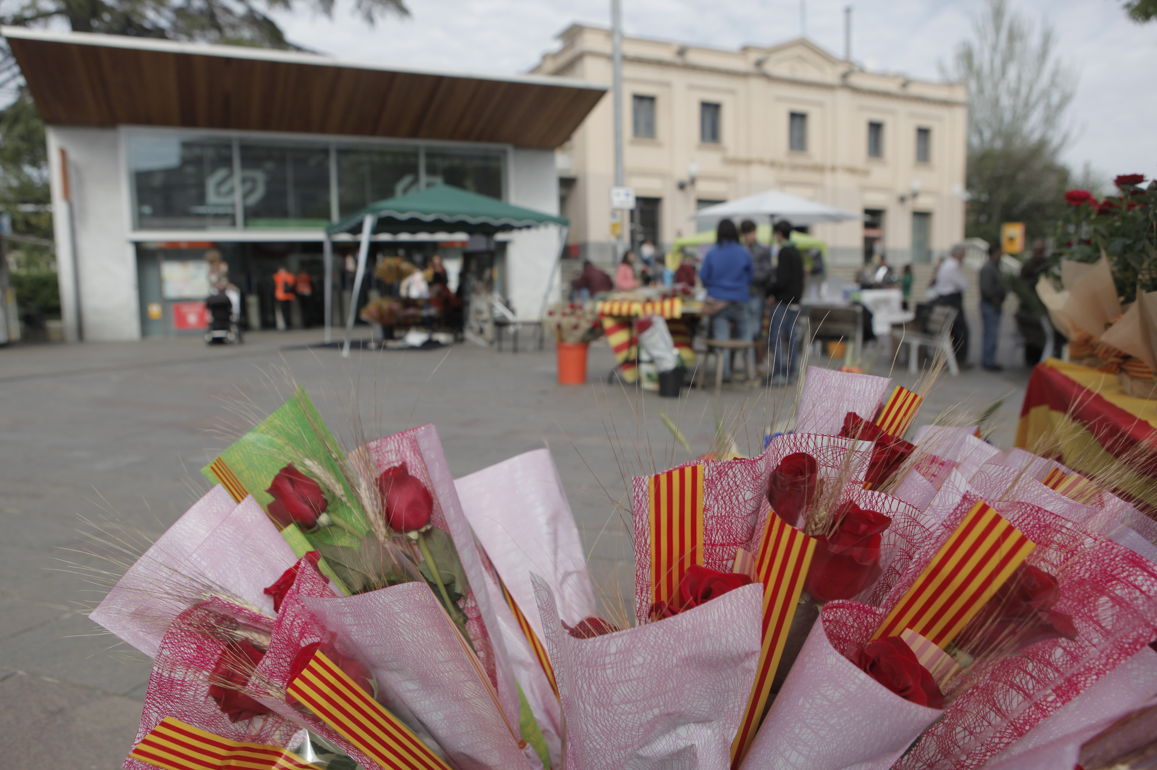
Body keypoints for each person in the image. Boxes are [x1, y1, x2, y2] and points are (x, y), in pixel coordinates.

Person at [700, 218, 754, 382]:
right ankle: (749, 374)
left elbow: (703, 277)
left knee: (721, 340)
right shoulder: (744, 252)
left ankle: (723, 375)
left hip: (717, 303)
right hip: (739, 300)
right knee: (746, 338)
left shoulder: (712, 252)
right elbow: (750, 277)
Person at [766, 220, 805, 385]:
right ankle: (791, 371)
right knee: (792, 336)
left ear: (778, 234)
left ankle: (780, 372)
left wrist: (770, 290)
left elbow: (782, 279)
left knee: (776, 336)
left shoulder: (784, 252)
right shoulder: (796, 252)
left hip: (783, 300)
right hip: (796, 300)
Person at [929, 245, 971, 366]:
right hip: (951, 299)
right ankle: (960, 359)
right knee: (961, 330)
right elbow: (964, 284)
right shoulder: (952, 265)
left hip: (947, 298)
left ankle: (955, 358)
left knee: (954, 330)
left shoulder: (947, 264)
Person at [740, 220, 773, 369]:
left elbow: (767, 272)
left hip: (757, 294)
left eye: (751, 232)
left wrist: (749, 277)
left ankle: (758, 364)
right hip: (742, 295)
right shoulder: (740, 250)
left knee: (756, 330)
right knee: (744, 330)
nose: (749, 236)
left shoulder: (762, 250)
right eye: (747, 233)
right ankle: (748, 364)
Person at [979, 242, 1006, 371]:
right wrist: (994, 299)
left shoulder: (995, 267)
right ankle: (988, 361)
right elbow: (986, 289)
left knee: (992, 334)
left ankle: (990, 360)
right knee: (991, 334)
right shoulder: (989, 268)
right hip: (990, 305)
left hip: (994, 305)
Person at [205, 249, 240, 320]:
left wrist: (227, 286)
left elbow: (224, 279)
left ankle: (234, 317)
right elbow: (213, 281)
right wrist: (219, 285)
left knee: (234, 296)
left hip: (225, 288)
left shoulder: (222, 265)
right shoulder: (210, 268)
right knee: (212, 297)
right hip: (216, 289)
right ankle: (211, 317)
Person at [273, 265, 296, 331]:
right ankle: (288, 324)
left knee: (284, 312)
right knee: (288, 311)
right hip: (287, 296)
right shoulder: (290, 275)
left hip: (280, 296)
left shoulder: (276, 276)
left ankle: (286, 325)